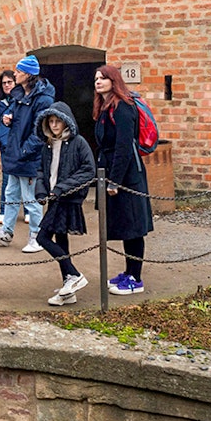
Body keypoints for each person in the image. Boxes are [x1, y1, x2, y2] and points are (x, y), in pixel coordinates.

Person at [93, 64, 155, 295]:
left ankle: (136, 278)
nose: (98, 81)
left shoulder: (122, 107)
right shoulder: (105, 107)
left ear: (114, 80)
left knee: (133, 226)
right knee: (124, 225)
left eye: (103, 78)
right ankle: (129, 271)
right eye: (96, 78)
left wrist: (115, 181)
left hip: (128, 176)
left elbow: (123, 147)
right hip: (112, 171)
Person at [0, 55, 55, 253]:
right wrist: (9, 118)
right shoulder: (19, 94)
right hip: (16, 153)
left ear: (28, 74)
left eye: (18, 72)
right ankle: (7, 231)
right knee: (11, 193)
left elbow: (41, 131)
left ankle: (36, 236)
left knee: (30, 198)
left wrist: (25, 150)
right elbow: (16, 119)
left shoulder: (43, 99)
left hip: (30, 156)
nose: (15, 74)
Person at [34, 101, 94, 306]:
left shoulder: (78, 143)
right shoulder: (48, 145)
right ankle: (68, 288)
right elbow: (42, 171)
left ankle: (74, 275)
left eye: (57, 121)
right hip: (53, 198)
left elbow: (88, 170)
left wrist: (63, 187)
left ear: (66, 121)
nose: (54, 125)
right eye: (50, 121)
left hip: (67, 198)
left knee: (42, 237)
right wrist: (41, 191)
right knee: (61, 241)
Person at [0, 69, 16, 226]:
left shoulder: (21, 99)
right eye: (4, 83)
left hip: (19, 143)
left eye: (10, 82)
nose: (7, 85)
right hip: (6, 143)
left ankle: (27, 211)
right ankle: (3, 210)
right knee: (7, 178)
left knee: (25, 179)